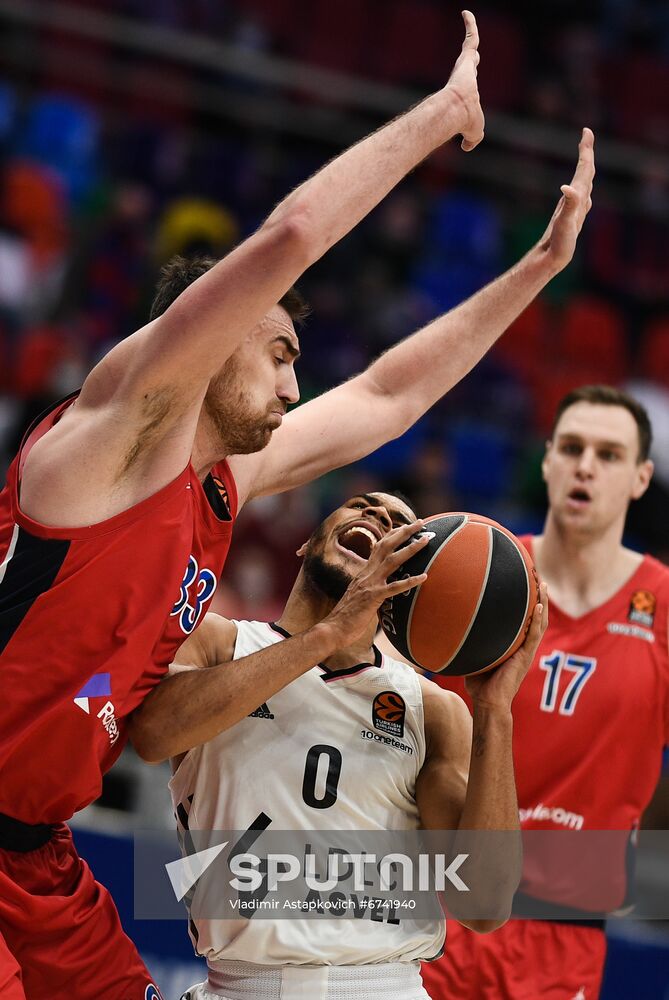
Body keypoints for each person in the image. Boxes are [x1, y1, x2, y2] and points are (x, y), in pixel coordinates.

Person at [0, 11, 595, 994]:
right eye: (279, 353)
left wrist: (536, 271)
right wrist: (442, 112)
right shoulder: (108, 433)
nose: (290, 388)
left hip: (40, 855)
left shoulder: (219, 480)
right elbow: (297, 232)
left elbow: (386, 398)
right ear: (213, 331)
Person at [128, 491, 548, 1000]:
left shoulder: (431, 710)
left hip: (383, 984)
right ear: (306, 543)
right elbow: (151, 736)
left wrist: (495, 711)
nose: (376, 516)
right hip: (241, 984)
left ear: (407, 585)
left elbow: (484, 904)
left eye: (399, 525)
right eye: (360, 505)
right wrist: (326, 635)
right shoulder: (218, 644)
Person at [420, 385, 669, 1000]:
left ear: (641, 478)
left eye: (610, 455)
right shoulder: (481, 575)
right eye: (573, 447)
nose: (587, 465)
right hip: (438, 910)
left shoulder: (664, 607)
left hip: (565, 932)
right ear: (548, 461)